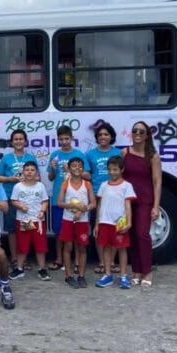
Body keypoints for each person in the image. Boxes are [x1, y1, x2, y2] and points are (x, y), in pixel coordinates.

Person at [122, 121, 162, 288]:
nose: (137, 133)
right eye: (135, 130)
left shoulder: (153, 156)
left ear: (147, 135)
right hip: (128, 201)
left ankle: (147, 271)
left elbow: (157, 182)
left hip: (145, 200)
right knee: (130, 236)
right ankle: (136, 271)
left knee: (142, 235)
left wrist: (156, 206)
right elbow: (121, 176)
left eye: (141, 131)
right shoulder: (125, 152)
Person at [46, 125, 90, 271]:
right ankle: (59, 259)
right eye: (61, 139)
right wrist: (52, 168)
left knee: (77, 232)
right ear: (57, 139)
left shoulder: (79, 154)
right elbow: (51, 178)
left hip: (77, 200)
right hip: (59, 200)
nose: (64, 141)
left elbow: (88, 175)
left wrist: (71, 170)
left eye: (67, 138)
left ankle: (77, 262)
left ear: (72, 138)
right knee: (59, 232)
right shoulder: (55, 155)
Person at [0, 129, 38, 268]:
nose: (19, 141)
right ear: (12, 142)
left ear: (25, 142)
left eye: (21, 139)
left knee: (25, 228)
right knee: (12, 229)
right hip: (10, 197)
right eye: (16, 139)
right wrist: (11, 178)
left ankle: (23, 257)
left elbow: (38, 177)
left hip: (27, 199)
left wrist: (28, 177)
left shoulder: (31, 158)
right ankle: (14, 258)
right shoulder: (6, 158)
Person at [95, 156, 137, 289]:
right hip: (104, 222)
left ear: (122, 169)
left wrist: (129, 223)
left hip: (119, 224)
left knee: (122, 249)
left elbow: (128, 206)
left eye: (115, 169)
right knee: (106, 248)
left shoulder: (127, 186)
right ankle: (107, 275)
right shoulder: (103, 185)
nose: (112, 172)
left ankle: (123, 275)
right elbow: (99, 205)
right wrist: (97, 224)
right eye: (110, 170)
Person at [86, 121, 122, 275]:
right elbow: (87, 174)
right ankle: (102, 261)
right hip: (97, 195)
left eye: (106, 134)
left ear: (111, 137)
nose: (103, 137)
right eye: (100, 134)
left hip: (115, 195)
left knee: (114, 229)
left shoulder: (118, 153)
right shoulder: (90, 154)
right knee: (99, 229)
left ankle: (112, 261)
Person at [55, 157, 96, 289]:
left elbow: (93, 203)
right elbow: (59, 203)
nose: (77, 168)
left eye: (79, 166)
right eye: (74, 166)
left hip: (82, 221)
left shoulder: (87, 184)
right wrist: (74, 206)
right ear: (69, 168)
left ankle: (81, 275)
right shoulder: (65, 183)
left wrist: (84, 209)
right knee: (68, 247)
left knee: (82, 247)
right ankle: (68, 275)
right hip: (68, 220)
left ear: (83, 168)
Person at [9, 161, 50, 281]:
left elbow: (45, 201)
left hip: (38, 220)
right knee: (23, 246)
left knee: (40, 246)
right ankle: (19, 269)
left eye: (32, 170)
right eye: (27, 170)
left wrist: (42, 211)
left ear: (36, 173)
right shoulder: (18, 186)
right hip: (24, 220)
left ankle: (42, 269)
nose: (29, 172)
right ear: (23, 172)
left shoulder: (40, 186)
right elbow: (13, 200)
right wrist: (21, 207)